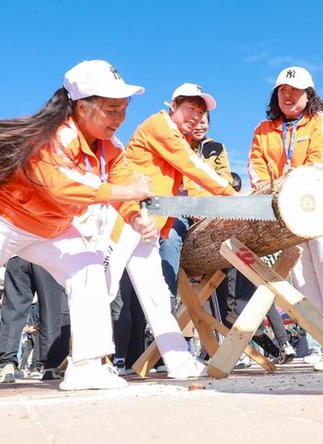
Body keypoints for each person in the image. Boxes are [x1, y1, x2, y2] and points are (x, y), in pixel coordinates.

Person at [0, 60, 154, 390]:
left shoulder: (112, 148)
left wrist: (134, 215)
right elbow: (59, 185)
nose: (119, 118)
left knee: (89, 268)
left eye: (123, 108)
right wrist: (127, 191)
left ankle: (87, 366)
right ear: (81, 106)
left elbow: (121, 185)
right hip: (1, 221)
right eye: (110, 109)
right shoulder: (53, 136)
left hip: (53, 227)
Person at [95, 82, 236, 379]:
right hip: (123, 216)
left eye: (201, 112)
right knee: (101, 287)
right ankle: (92, 361)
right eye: (189, 109)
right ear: (173, 107)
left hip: (148, 224)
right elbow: (193, 166)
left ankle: (178, 362)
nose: (196, 117)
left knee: (157, 294)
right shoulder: (160, 126)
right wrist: (232, 198)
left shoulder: (177, 136)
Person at [247, 66, 323, 371]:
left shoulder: (319, 121)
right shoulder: (263, 129)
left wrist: (287, 183)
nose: (288, 95)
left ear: (309, 95)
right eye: (283, 90)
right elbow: (256, 166)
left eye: (296, 91)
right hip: (287, 217)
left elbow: (318, 162)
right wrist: (268, 189)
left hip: (319, 209)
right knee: (307, 287)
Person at [158, 109, 234, 311]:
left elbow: (224, 178)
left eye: (204, 121)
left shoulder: (216, 147)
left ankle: (231, 308)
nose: (199, 126)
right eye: (194, 121)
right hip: (182, 210)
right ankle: (167, 300)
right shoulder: (176, 144)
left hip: (210, 210)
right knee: (169, 237)